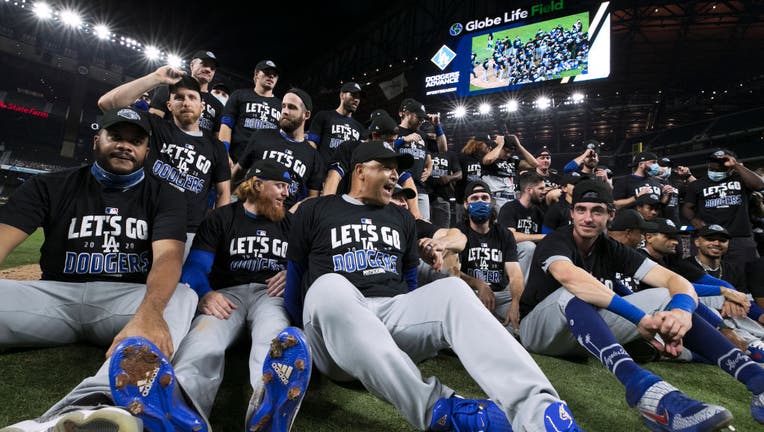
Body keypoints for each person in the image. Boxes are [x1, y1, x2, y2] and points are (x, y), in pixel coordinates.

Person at [284, 141, 582, 431]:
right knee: (329, 285)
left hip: (389, 318)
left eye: (396, 170)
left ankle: (540, 413)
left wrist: (439, 244)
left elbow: (457, 240)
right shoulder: (317, 209)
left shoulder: (400, 216)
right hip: (335, 331)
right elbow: (296, 275)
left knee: (452, 290)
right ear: (360, 170)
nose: (394, 175)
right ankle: (433, 408)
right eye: (386, 168)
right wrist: (296, 336)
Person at [0, 108, 202, 431]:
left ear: (146, 151)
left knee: (180, 297)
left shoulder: (166, 195)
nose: (126, 146)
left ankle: (96, 405)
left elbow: (168, 258)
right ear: (97, 140)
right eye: (116, 136)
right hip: (54, 298)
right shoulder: (51, 185)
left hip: (123, 302)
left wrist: (149, 312)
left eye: (136, 141)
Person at [519, 179, 764, 429]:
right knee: (574, 292)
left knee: (666, 296)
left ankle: (756, 379)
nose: (588, 218)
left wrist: (682, 312)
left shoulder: (610, 248)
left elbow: (674, 281)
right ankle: (645, 392)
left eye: (597, 211)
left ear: (610, 215)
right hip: (538, 332)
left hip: (584, 334)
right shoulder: (557, 240)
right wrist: (639, 318)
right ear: (572, 213)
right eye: (581, 209)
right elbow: (571, 279)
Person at [171, 158, 311, 431]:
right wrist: (205, 293)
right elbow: (196, 266)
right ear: (257, 185)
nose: (287, 193)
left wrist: (294, 274)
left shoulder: (291, 224)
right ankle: (181, 408)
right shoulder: (221, 218)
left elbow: (309, 266)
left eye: (288, 187)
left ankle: (267, 407)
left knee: (274, 338)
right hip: (226, 295)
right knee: (204, 340)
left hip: (269, 295)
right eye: (280, 186)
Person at [97, 66, 232, 258]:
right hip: (144, 224)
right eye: (179, 97)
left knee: (180, 287)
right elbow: (107, 104)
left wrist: (218, 231)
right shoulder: (155, 126)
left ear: (202, 106)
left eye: (192, 97)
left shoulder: (215, 146)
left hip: (191, 232)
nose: (186, 103)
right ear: (169, 105)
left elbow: (223, 192)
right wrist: (156, 77)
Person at [231, 88, 323, 211]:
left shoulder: (313, 157)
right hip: (247, 214)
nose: (285, 111)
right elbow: (238, 172)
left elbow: (312, 200)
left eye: (292, 107)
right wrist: (224, 200)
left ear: (306, 115)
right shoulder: (261, 136)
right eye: (283, 106)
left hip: (281, 223)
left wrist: (293, 214)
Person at [457, 180, 524, 334]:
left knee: (520, 319)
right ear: (466, 205)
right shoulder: (459, 232)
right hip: (469, 293)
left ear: (491, 202)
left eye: (484, 198)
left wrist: (515, 303)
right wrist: (479, 284)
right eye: (474, 199)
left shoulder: (504, 234)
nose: (480, 201)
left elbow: (515, 274)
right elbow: (453, 272)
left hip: (499, 295)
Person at [683, 149, 764, 268]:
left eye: (722, 162)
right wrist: (693, 219)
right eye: (713, 162)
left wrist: (736, 165)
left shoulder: (740, 180)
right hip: (709, 237)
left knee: (750, 275)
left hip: (739, 238)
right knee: (709, 275)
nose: (716, 166)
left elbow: (759, 185)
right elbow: (687, 207)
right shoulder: (698, 184)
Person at [149, 50, 224, 136]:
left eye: (212, 68)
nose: (208, 69)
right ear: (192, 65)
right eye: (204, 64)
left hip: (201, 148)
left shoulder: (217, 105)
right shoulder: (169, 90)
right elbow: (152, 124)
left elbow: (216, 140)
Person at [220, 60, 281, 163]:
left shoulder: (281, 106)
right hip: (236, 159)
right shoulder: (239, 95)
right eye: (267, 72)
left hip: (264, 165)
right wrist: (224, 153)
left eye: (274, 75)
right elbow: (226, 125)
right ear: (256, 74)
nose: (271, 76)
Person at [497, 172, 546, 281]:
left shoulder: (539, 212)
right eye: (541, 189)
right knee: (529, 247)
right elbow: (510, 236)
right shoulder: (509, 208)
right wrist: (541, 237)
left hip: (529, 257)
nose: (544, 192)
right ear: (529, 190)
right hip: (507, 255)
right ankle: (520, 291)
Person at [306, 81, 366, 165]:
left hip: (346, 175)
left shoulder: (360, 128)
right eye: (353, 95)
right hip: (322, 172)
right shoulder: (323, 116)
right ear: (342, 95)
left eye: (359, 97)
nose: (356, 100)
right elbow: (312, 144)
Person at [396, 98, 432, 220]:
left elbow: (429, 155)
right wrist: (403, 140)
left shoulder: (422, 135)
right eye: (419, 117)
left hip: (420, 188)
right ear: (407, 114)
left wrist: (430, 167)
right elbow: (384, 148)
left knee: (423, 227)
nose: (421, 121)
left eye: (423, 118)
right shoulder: (395, 131)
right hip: (398, 188)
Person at [481, 134, 537, 209]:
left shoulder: (512, 161)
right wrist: (500, 145)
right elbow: (487, 160)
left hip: (511, 199)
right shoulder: (490, 158)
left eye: (511, 152)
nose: (508, 154)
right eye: (506, 151)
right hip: (495, 199)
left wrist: (519, 146)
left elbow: (534, 164)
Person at [426, 148, 461, 229]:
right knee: (423, 230)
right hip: (424, 194)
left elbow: (459, 174)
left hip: (442, 196)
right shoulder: (424, 151)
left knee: (443, 231)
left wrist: (449, 178)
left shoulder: (449, 154)